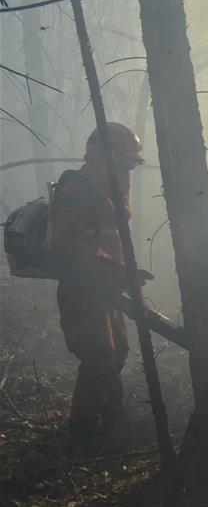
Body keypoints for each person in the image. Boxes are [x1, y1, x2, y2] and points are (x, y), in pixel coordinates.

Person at [50, 123, 145, 456]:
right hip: (81, 290)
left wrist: (118, 274)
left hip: (102, 289)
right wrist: (114, 269)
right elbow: (69, 242)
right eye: (127, 164)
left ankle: (112, 411)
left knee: (117, 351)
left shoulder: (104, 189)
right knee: (100, 358)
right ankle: (82, 432)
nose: (129, 171)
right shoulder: (77, 190)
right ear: (108, 156)